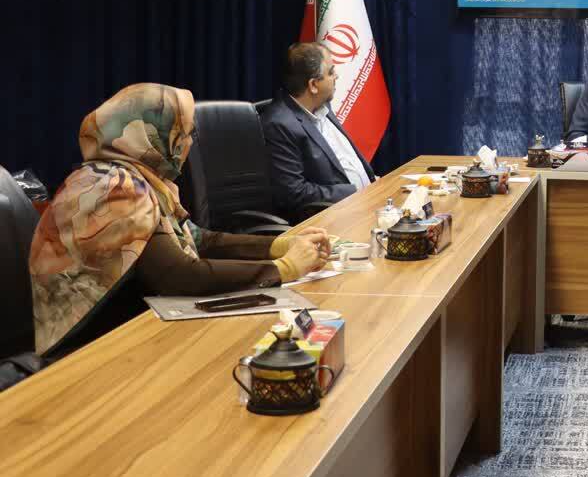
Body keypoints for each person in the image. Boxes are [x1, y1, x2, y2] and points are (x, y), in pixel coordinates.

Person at [28, 84, 330, 357]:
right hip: (87, 348)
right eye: (183, 135)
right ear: (150, 136)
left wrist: (278, 245)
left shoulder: (137, 179)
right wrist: (284, 268)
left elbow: (200, 240)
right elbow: (179, 275)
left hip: (129, 330)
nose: (188, 145)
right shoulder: (113, 188)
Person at [260, 42, 375, 219]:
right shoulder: (279, 125)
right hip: (332, 218)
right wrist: (354, 190)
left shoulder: (323, 106)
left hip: (368, 201)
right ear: (313, 85)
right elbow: (294, 193)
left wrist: (371, 182)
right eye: (331, 72)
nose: (336, 76)